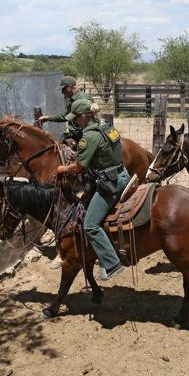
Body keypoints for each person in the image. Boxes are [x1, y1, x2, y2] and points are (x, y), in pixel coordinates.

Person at [56, 98, 129, 280]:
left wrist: (62, 168)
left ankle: (112, 263)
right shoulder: (106, 126)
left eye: (75, 118)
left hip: (110, 183)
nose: (74, 122)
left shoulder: (89, 137)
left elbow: (78, 166)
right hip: (122, 173)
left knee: (90, 225)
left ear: (83, 116)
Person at [37, 76, 93, 145]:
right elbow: (67, 116)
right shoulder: (73, 99)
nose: (62, 92)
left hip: (83, 135)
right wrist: (48, 118)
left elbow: (87, 121)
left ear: (69, 88)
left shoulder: (81, 99)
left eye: (63, 90)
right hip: (76, 133)